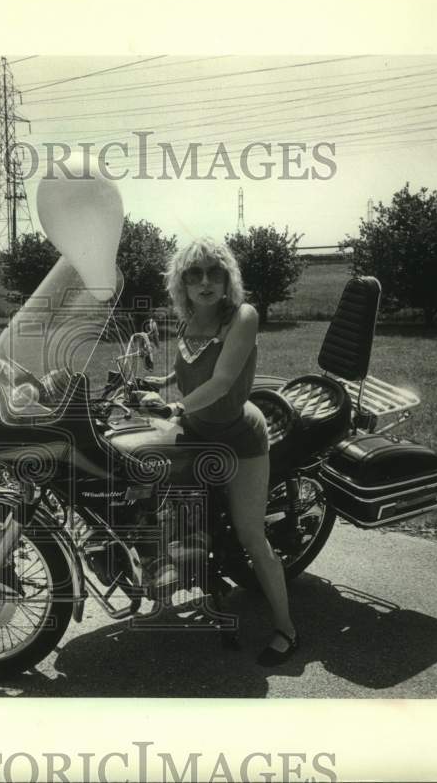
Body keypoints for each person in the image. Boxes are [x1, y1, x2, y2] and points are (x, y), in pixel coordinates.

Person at [140, 237, 299, 666]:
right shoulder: (190, 319)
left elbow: (223, 382)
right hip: (196, 431)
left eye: (215, 272)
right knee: (151, 491)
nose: (205, 281)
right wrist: (151, 387)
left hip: (238, 437)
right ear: (182, 283)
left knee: (251, 534)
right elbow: (183, 374)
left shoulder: (241, 317)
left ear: (228, 278)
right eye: (195, 274)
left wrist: (173, 407)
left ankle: (286, 627)